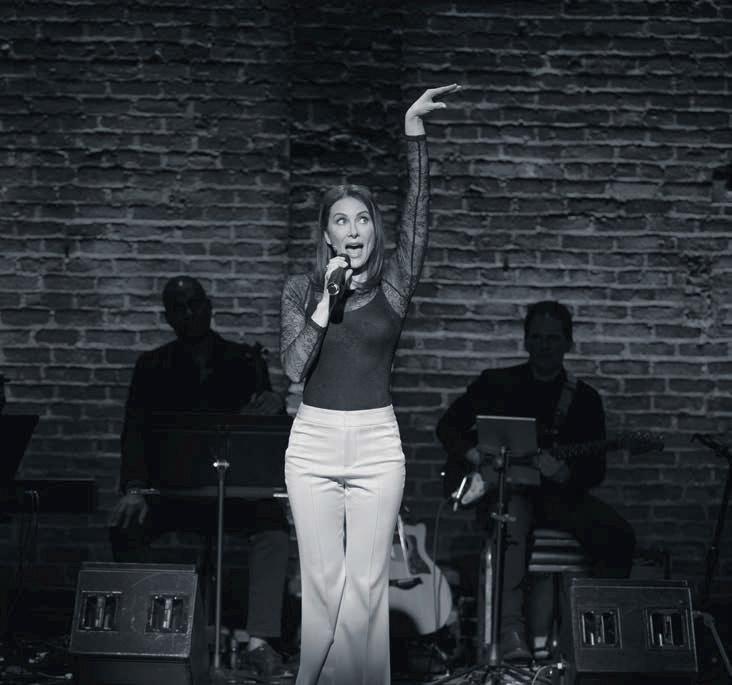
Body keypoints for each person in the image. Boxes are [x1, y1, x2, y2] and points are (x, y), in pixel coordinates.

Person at [280, 84, 461, 685]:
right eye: (341, 220)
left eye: (362, 220)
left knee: (365, 589)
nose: (353, 229)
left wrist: (415, 133)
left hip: (377, 446)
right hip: (313, 444)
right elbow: (293, 368)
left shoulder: (394, 287)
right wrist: (325, 303)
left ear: (372, 233)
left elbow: (419, 217)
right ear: (327, 235)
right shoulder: (301, 290)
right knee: (322, 586)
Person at [109, 275, 290, 678]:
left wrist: (274, 406)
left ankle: (260, 642)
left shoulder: (244, 360)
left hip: (235, 491)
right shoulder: (152, 366)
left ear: (209, 307)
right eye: (178, 307)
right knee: (125, 526)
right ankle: (152, 634)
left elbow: (264, 431)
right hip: (175, 492)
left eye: (194, 304)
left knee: (273, 528)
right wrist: (135, 488)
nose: (188, 314)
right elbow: (134, 433)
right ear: (168, 316)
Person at [436, 300, 636, 661]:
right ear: (526, 340)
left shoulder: (584, 399)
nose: (544, 345)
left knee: (618, 535)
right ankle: (511, 634)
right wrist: (476, 456)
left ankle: (596, 638)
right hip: (504, 491)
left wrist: (562, 472)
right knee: (512, 519)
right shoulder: (496, 383)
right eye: (537, 337)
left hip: (558, 497)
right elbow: (447, 426)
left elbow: (595, 471)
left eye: (553, 338)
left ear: (568, 343)